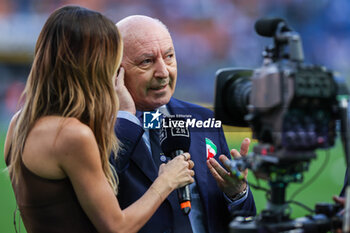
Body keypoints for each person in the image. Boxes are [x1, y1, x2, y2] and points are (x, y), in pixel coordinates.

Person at [3, 6, 195, 233]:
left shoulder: (20, 123)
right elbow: (117, 227)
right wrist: (166, 182)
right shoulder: (72, 135)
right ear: (93, 63)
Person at [111, 15, 256, 233]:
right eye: (147, 61)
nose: (163, 73)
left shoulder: (204, 120)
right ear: (116, 72)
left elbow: (245, 220)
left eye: (169, 57)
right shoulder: (100, 129)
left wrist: (237, 193)